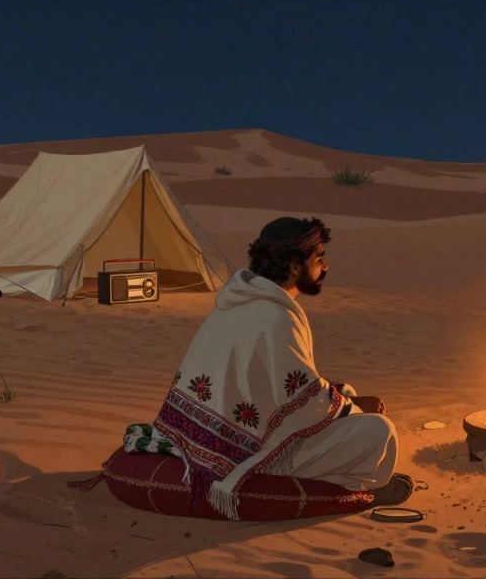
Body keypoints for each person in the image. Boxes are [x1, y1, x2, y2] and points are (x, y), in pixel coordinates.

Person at [151, 216, 411, 520]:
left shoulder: (238, 299)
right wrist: (355, 407)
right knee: (379, 431)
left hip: (211, 433)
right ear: (294, 265)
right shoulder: (276, 316)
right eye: (319, 259)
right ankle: (356, 488)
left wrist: (344, 399)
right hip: (250, 451)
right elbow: (307, 403)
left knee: (346, 394)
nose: (325, 267)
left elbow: (280, 385)